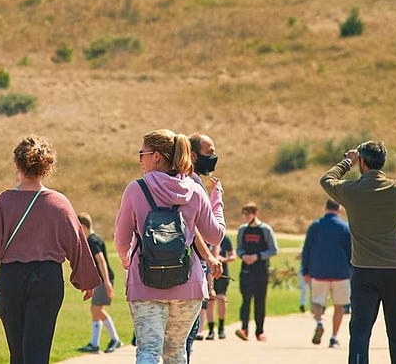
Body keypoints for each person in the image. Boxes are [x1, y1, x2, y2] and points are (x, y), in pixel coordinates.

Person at [0, 135, 101, 364]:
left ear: (17, 164)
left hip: (11, 279)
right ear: (48, 166)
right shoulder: (58, 202)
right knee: (38, 351)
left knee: (18, 353)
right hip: (47, 278)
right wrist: (86, 280)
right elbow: (77, 243)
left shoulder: (3, 201)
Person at [321, 140, 396, 364]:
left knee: (360, 331)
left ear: (363, 163)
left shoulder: (351, 191)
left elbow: (326, 180)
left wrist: (348, 161)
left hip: (362, 270)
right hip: (394, 270)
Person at [113, 129, 224, 364]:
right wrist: (217, 200)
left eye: (141, 153)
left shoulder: (136, 189)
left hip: (145, 282)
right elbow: (215, 236)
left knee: (148, 351)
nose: (140, 159)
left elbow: (121, 241)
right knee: (176, 352)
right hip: (188, 284)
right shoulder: (194, 190)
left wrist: (126, 261)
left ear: (156, 157)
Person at [182, 132, 225, 358]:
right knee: (186, 341)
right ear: (194, 156)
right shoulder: (195, 182)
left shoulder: (173, 179)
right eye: (209, 153)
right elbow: (212, 233)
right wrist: (217, 199)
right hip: (192, 270)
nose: (214, 157)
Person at [302, 199, 352, 349]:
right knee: (339, 306)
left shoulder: (315, 226)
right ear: (339, 208)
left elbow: (307, 250)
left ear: (325, 208)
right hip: (340, 273)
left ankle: (319, 322)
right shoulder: (345, 227)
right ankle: (334, 337)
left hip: (319, 271)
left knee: (317, 302)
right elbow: (351, 252)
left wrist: (305, 270)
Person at [76, 213, 123, 354]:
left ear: (83, 227)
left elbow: (101, 260)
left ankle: (115, 340)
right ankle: (94, 343)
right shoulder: (94, 239)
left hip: (103, 278)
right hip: (100, 280)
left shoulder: (92, 241)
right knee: (95, 310)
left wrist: (107, 283)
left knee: (97, 309)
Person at [233, 202, 278, 341]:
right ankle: (244, 329)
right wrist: (243, 256)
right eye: (244, 213)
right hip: (246, 270)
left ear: (255, 214)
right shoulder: (242, 230)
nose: (245, 216)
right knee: (245, 300)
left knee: (260, 301)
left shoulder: (265, 230)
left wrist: (257, 256)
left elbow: (274, 250)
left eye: (248, 213)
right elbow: (239, 248)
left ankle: (260, 331)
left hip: (261, 271)